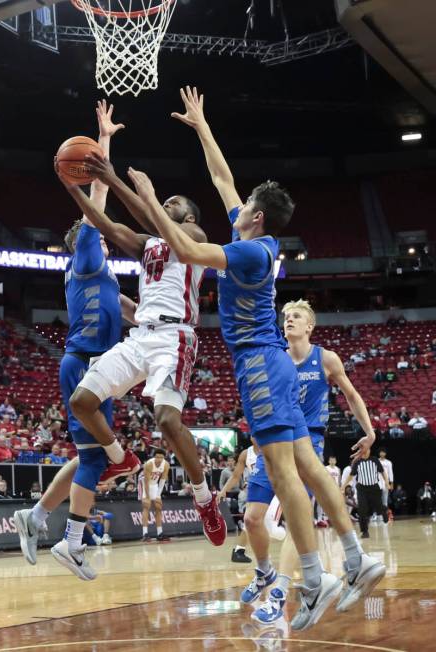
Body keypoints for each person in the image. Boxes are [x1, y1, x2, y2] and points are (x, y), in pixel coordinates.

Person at [127, 88, 382, 629]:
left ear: (257, 218)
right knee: (308, 467)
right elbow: (223, 180)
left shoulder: (247, 250)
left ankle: (313, 579)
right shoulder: (259, 239)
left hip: (261, 365)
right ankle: (356, 560)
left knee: (285, 473)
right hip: (275, 363)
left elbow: (191, 251)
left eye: (246, 209)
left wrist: (151, 201)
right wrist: (201, 126)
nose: (235, 209)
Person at [62, 128, 227, 555]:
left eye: (175, 204)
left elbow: (154, 217)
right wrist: (72, 187)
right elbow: (106, 223)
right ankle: (120, 457)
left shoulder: (198, 239)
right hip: (141, 336)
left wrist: (117, 181)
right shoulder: (148, 244)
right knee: (82, 401)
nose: (165, 206)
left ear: (190, 218)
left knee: (168, 422)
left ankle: (204, 500)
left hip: (176, 336)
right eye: (164, 201)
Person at [14, 101, 139, 572]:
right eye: (99, 233)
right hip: (87, 362)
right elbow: (99, 200)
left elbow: (127, 310)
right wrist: (103, 142)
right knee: (98, 459)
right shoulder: (86, 252)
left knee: (85, 455)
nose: (105, 235)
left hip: (92, 362)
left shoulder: (102, 276)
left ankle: (38, 514)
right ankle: (72, 541)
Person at [250, 299, 384, 624]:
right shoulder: (277, 359)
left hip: (308, 438)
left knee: (298, 515)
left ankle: (285, 589)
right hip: (276, 439)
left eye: (296, 316)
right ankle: (273, 575)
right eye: (286, 317)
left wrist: (369, 432)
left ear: (310, 326)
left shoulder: (325, 358)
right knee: (254, 518)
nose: (289, 320)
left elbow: (352, 395)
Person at [343, 450, 389, 538]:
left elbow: (382, 471)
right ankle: (365, 531)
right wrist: (343, 486)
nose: (365, 452)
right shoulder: (357, 462)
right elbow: (351, 475)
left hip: (374, 488)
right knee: (362, 510)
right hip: (362, 489)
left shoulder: (374, 460)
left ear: (369, 451)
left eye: (367, 450)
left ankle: (383, 511)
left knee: (378, 507)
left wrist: (387, 482)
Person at [139, 448, 170, 542]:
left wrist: (157, 496)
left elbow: (163, 480)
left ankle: (159, 533)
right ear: (154, 457)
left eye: (161, 457)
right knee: (146, 506)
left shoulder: (166, 464)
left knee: (158, 506)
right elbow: (146, 481)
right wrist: (147, 496)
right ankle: (145, 533)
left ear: (164, 458)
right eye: (157, 457)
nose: (159, 459)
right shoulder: (149, 464)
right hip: (144, 484)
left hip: (155, 484)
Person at [377, 449, 394, 515]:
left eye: (383, 452)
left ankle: (384, 514)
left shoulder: (388, 462)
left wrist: (391, 483)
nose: (382, 453)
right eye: (381, 452)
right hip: (377, 482)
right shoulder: (376, 461)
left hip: (385, 483)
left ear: (385, 454)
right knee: (377, 499)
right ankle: (377, 514)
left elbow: (390, 473)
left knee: (385, 499)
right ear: (379, 453)